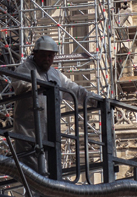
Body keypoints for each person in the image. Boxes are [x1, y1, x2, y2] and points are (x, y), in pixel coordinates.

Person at [11, 35, 93, 172]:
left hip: (51, 134)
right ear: (35, 54)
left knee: (52, 173)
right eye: (43, 55)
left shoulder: (55, 74)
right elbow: (20, 85)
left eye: (50, 56)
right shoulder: (25, 69)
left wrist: (96, 99)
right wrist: (40, 86)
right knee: (34, 176)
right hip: (29, 134)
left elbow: (74, 89)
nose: (47, 59)